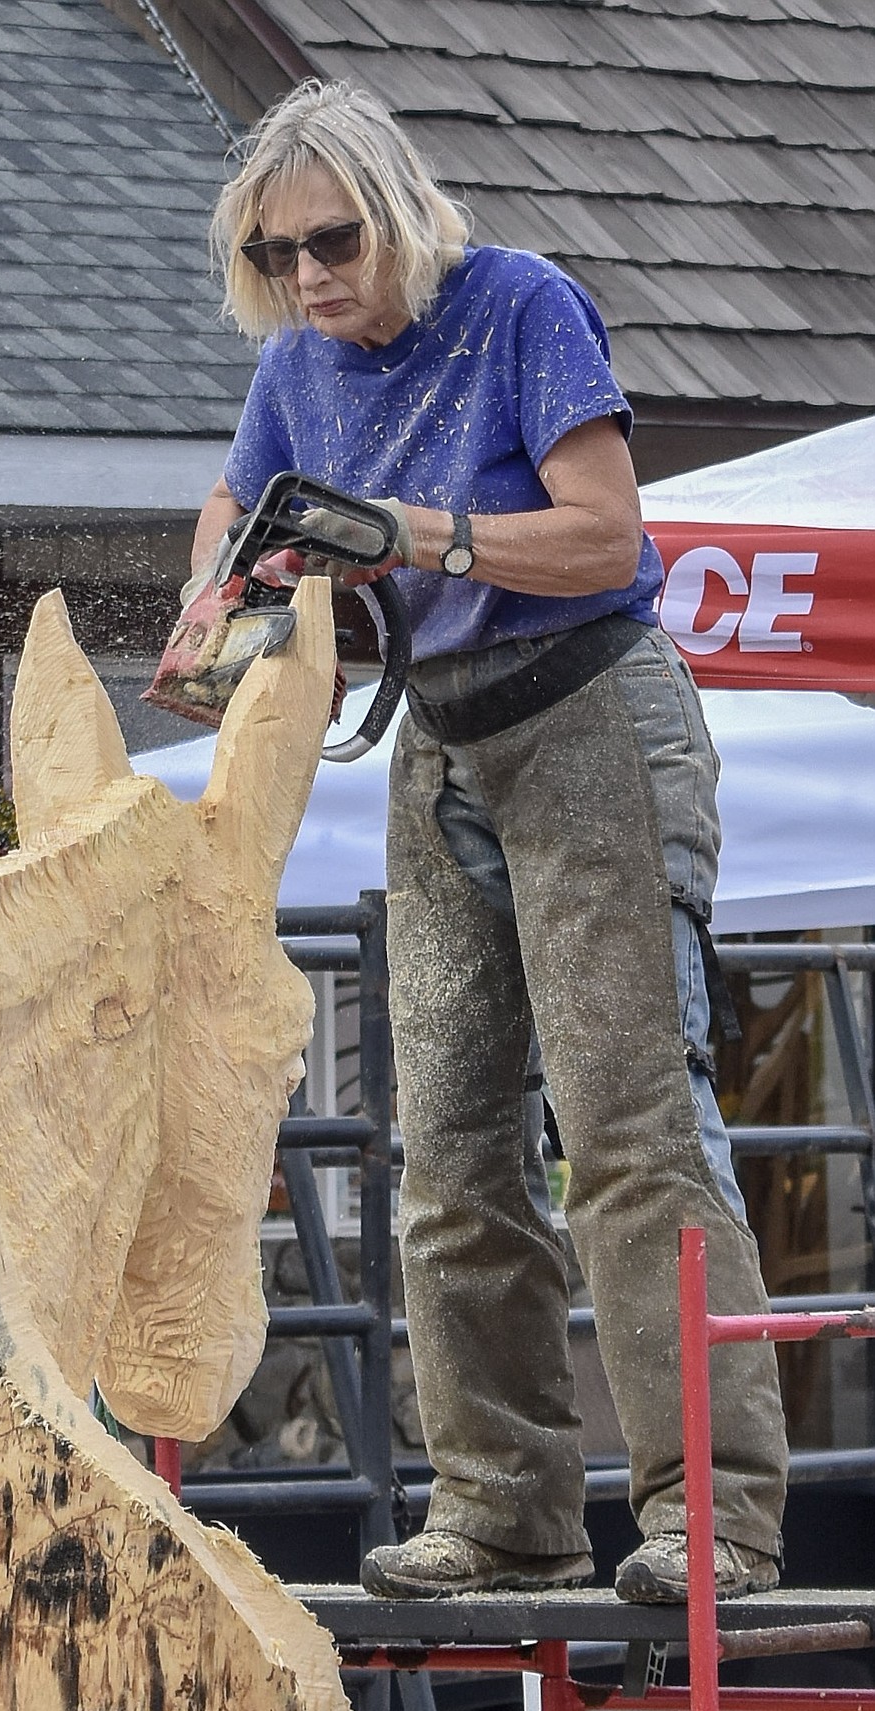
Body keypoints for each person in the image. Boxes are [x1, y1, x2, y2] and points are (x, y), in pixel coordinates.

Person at [189, 78, 788, 1604]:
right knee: (448, 1144)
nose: (308, 276)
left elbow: (608, 536)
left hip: (593, 718)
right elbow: (232, 505)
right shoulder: (298, 366)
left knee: (626, 1126)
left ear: (395, 210)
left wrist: (417, 532)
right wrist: (219, 607)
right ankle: (503, 1507)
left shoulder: (520, 303)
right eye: (275, 257)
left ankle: (707, 1522)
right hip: (440, 733)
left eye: (330, 240)